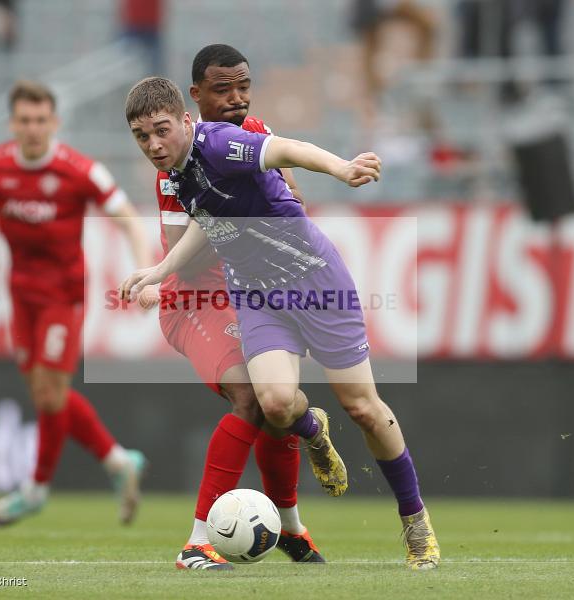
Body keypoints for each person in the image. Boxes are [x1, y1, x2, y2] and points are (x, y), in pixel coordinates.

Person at [121, 77, 440, 569]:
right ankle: (311, 429)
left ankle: (415, 521)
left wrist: (342, 167)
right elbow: (209, 224)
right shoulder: (178, 176)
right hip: (257, 296)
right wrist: (160, 272)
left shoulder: (219, 143)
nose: (153, 145)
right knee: (272, 402)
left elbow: (284, 148)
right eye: (142, 137)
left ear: (186, 120)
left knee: (364, 409)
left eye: (161, 131)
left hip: (315, 282)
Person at [149, 44, 322, 570]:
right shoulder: (175, 169)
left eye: (241, 87)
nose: (235, 99)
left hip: (250, 294)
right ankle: (196, 542)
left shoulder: (257, 135)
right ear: (195, 101)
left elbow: (292, 200)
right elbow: (179, 255)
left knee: (278, 408)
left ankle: (291, 531)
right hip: (194, 300)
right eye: (221, 90)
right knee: (250, 393)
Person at [0, 80, 148, 527]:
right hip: (21, 295)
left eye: (40, 120)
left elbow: (128, 219)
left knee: (50, 395)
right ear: (12, 123)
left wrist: (145, 272)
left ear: (55, 122)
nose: (32, 129)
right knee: (48, 396)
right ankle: (120, 461)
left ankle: (36, 489)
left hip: (63, 296)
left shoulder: (79, 170)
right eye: (24, 120)